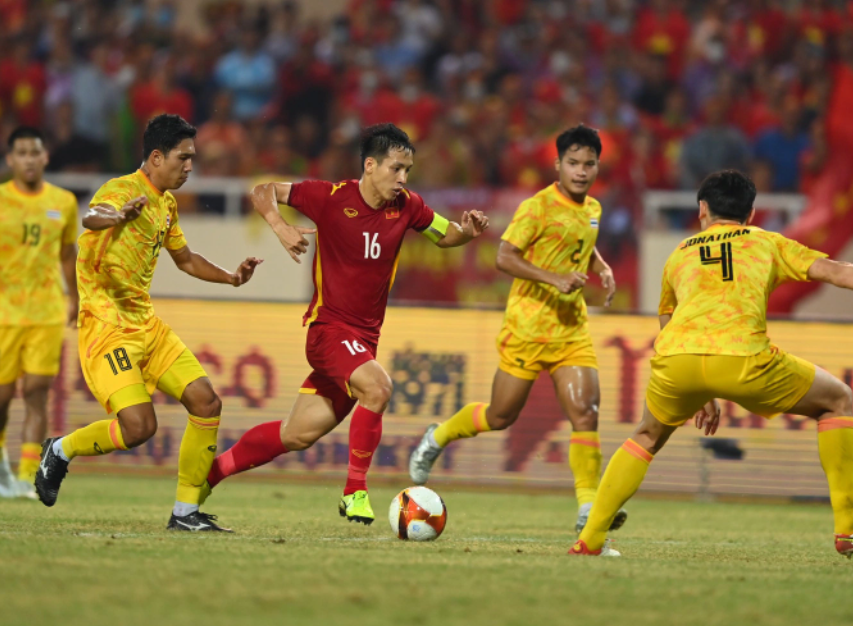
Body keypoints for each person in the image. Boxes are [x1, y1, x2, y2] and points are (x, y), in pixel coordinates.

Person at [569, 170, 853, 557]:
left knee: (647, 436)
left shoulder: (679, 253)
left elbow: (667, 315)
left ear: (703, 208)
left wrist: (700, 388)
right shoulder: (766, 243)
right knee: (837, 399)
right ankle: (850, 526)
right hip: (743, 359)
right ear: (750, 214)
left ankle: (590, 541)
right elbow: (837, 271)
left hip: (677, 359)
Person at [202, 123, 489, 525]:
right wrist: (280, 225)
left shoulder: (408, 205)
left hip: (362, 343)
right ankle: (355, 492)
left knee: (297, 434)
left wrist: (469, 233)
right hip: (328, 331)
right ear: (370, 165)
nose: (403, 178)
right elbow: (262, 190)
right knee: (379, 387)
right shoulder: (329, 197)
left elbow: (445, 235)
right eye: (396, 168)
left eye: (408, 170)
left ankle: (208, 475)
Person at [34, 114, 262, 532]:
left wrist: (231, 276)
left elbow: (186, 259)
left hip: (146, 324)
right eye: (184, 158)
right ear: (156, 157)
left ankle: (185, 513)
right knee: (140, 427)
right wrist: (118, 216)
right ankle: (61, 450)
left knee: (206, 401)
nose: (190, 167)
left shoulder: (167, 204)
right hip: (105, 326)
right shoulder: (121, 190)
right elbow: (93, 217)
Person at [409, 125, 627, 532]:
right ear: (558, 164)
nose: (581, 171)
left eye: (589, 164)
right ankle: (437, 437)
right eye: (574, 163)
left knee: (585, 412)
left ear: (598, 166)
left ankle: (588, 508)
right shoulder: (537, 207)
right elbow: (504, 257)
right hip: (527, 328)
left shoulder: (593, 209)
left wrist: (601, 266)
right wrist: (554, 278)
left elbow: (583, 241)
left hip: (571, 330)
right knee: (500, 415)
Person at [0, 126, 78, 499]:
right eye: (22, 153)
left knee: (35, 393)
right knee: (1, 397)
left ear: (45, 157)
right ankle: (3, 469)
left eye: (35, 152)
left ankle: (28, 476)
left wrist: (75, 297)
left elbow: (67, 254)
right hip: (4, 311)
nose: (29, 159)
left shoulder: (63, 202)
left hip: (47, 310)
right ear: (10, 159)